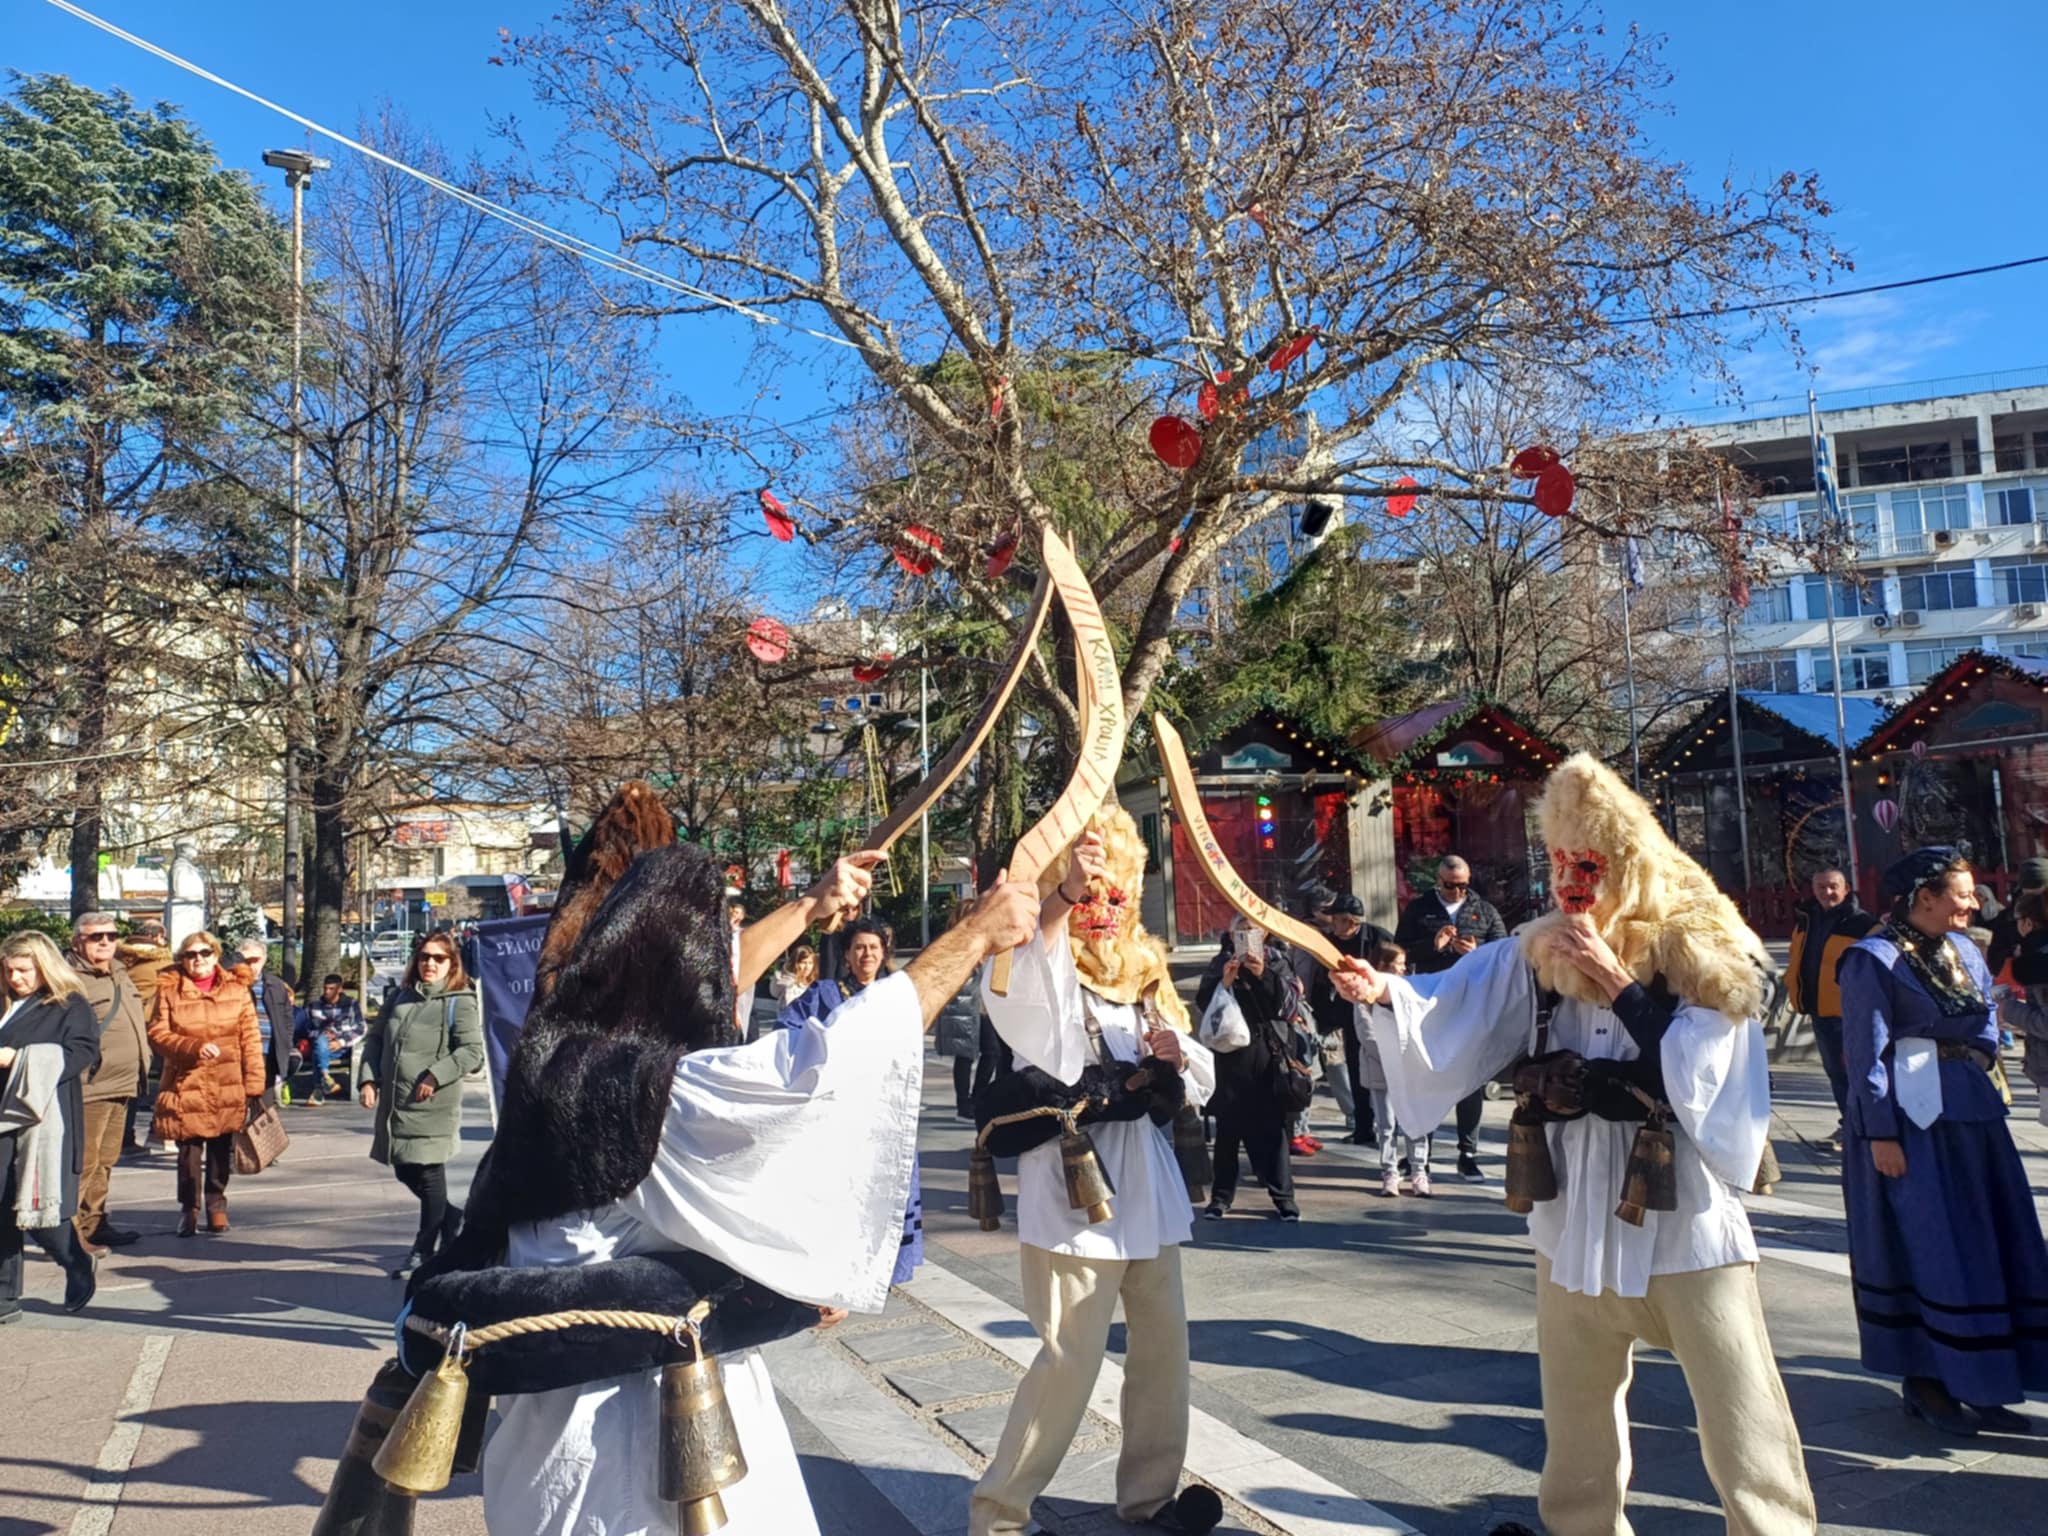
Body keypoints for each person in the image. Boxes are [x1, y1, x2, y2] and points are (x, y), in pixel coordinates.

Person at [409, 842, 1038, 1536]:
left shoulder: (556, 1059)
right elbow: (821, 1066)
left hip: (546, 1453)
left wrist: (809, 904)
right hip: (631, 1453)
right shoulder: (646, 1089)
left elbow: (718, 982)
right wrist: (973, 934)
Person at [1334, 754, 1815, 1536]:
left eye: (1586, 865)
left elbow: (1703, 1065)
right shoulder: (1541, 945)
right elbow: (1460, 994)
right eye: (1558, 864)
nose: (1570, 883)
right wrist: (1382, 989)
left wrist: (1617, 981)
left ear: (1624, 866)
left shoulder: (1696, 943)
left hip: (1681, 1218)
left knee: (1741, 1411)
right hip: (1574, 1214)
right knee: (1576, 1414)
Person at [974, 807, 1222, 1536]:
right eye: (1093, 895)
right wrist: (1060, 898)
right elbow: (1023, 1004)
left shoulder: (1145, 973)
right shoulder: (1043, 961)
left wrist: (1176, 1061)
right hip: (1073, 1193)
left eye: (1116, 894)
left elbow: (1201, 1068)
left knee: (1163, 1356)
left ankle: (1148, 1498)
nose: (1105, 909)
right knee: (1067, 1365)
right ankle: (998, 1513)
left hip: (1147, 1189)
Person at [1836, 847, 2048, 1437]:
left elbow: (1985, 1021)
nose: (1974, 901)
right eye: (1962, 892)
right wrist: (1881, 1132)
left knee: (1987, 1244)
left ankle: (1988, 1379)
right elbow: (1865, 1055)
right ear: (1924, 897)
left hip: (1971, 1116)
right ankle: (1927, 1378)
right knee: (1930, 1248)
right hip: (1910, 1124)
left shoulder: (1964, 951)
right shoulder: (1871, 961)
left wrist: (1973, 1064)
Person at [356, 933, 485, 1277]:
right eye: (425, 957)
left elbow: (472, 1052)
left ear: (451, 964)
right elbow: (376, 1040)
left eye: (439, 958)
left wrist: (435, 1075)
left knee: (429, 1175)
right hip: (396, 1104)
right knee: (402, 1166)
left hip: (432, 1103)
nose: (430, 964)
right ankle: (452, 1217)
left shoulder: (460, 1001)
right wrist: (368, 1079)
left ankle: (423, 1249)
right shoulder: (400, 996)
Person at [0, 932, 101, 1320]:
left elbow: (83, 1052)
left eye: (24, 970)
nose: (16, 978)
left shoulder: (67, 1004)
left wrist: (20, 1060)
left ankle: (75, 1262)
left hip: (43, 1118)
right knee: (1, 1209)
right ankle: (6, 1300)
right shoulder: (4, 1001)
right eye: (9, 970)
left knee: (43, 1217)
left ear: (44, 967)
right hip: (2, 1119)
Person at [1395, 854, 1507, 1178]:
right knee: (1429, 1076)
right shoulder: (1419, 908)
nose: (1457, 892)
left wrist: (1478, 955)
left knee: (1470, 1080)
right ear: (1438, 881)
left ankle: (1467, 1153)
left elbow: (1503, 955)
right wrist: (1435, 945)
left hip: (1472, 1002)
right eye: (1450, 886)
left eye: (1462, 886)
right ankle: (1420, 1154)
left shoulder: (1484, 910)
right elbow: (1399, 951)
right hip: (1433, 999)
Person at [149, 930, 265, 1236]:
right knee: (188, 1152)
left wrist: (254, 1082)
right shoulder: (169, 991)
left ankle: (217, 1205)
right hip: (186, 1081)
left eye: (204, 953)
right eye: (190, 954)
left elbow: (251, 1039)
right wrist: (192, 1047)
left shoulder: (237, 990)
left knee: (219, 1149)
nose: (198, 960)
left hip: (227, 1080)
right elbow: (157, 1034)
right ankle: (189, 1209)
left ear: (216, 956)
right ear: (181, 959)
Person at [1197, 918, 1301, 1221]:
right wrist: (1225, 984)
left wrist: (1261, 973)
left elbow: (1289, 1006)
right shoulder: (1221, 961)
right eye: (1241, 930)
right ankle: (1221, 1197)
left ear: (1264, 933)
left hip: (1269, 1056)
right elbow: (1206, 1003)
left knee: (1274, 1131)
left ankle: (1284, 1197)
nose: (1246, 936)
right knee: (1228, 1132)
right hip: (1231, 1058)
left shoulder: (1278, 961)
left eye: (1253, 930)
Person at [68, 913, 147, 1254]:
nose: (104, 941)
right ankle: (69, 1235)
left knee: (106, 1160)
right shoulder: (68, 980)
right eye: (95, 936)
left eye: (111, 935)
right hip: (89, 1087)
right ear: (77, 943)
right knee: (83, 1163)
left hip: (123, 1084)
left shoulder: (119, 972)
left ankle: (95, 1222)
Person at [1785, 868, 1876, 1146]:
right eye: (1821, 887)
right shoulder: (1806, 921)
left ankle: (1864, 1128)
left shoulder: (1863, 925)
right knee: (1836, 1074)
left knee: (1855, 1073)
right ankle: (1848, 1125)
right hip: (1819, 1010)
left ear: (1846, 888)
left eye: (1833, 887)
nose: (1827, 893)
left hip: (1850, 1013)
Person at [1299, 893, 1389, 1145]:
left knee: (1385, 1071)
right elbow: (1316, 978)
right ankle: (1363, 1127)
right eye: (1338, 920)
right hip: (1345, 1012)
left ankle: (1389, 1125)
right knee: (1355, 1067)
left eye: (1348, 921)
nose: (1342, 926)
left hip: (1378, 1010)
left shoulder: (1377, 937)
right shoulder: (1328, 943)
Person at [1361, 940, 1433, 1199]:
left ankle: (1419, 1171)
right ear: (1381, 966)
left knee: (1415, 1121)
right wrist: (1391, 1054)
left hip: (1410, 1068)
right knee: (1386, 1125)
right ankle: (1390, 1172)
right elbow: (1366, 1033)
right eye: (1397, 965)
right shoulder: (1366, 992)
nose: (1403, 970)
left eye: (1404, 965)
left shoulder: (1408, 989)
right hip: (1381, 1068)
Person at [116, 917, 173, 1158]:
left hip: (122, 1027)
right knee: (167, 1078)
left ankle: (123, 1137)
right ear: (159, 937)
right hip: (154, 1025)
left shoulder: (116, 958)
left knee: (127, 1083)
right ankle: (159, 1132)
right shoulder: (164, 962)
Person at [237, 938, 296, 1100]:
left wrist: (286, 1043)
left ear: (264, 960)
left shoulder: (275, 985)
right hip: (242, 1053)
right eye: (246, 960)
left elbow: (287, 1018)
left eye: (256, 960)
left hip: (269, 1052)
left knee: (264, 1106)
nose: (251, 965)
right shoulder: (233, 984)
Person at [295, 975, 364, 1105]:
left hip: (342, 1048)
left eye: (331, 989)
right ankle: (326, 1078)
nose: (327, 992)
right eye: (325, 988)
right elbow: (307, 1029)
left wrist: (340, 1041)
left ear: (340, 989)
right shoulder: (314, 1006)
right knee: (320, 1043)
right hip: (322, 1045)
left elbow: (361, 1028)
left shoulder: (351, 1005)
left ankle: (319, 1089)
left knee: (318, 1050)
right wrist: (322, 1034)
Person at [164, 839, 208, 951]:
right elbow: (180, 889)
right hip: (184, 905)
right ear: (183, 849)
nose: (195, 851)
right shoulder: (180, 867)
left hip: (192, 906)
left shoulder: (188, 867)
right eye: (192, 848)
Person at [768, 943, 818, 1008]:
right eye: (803, 963)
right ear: (796, 963)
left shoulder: (814, 982)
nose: (807, 967)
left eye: (810, 963)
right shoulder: (788, 982)